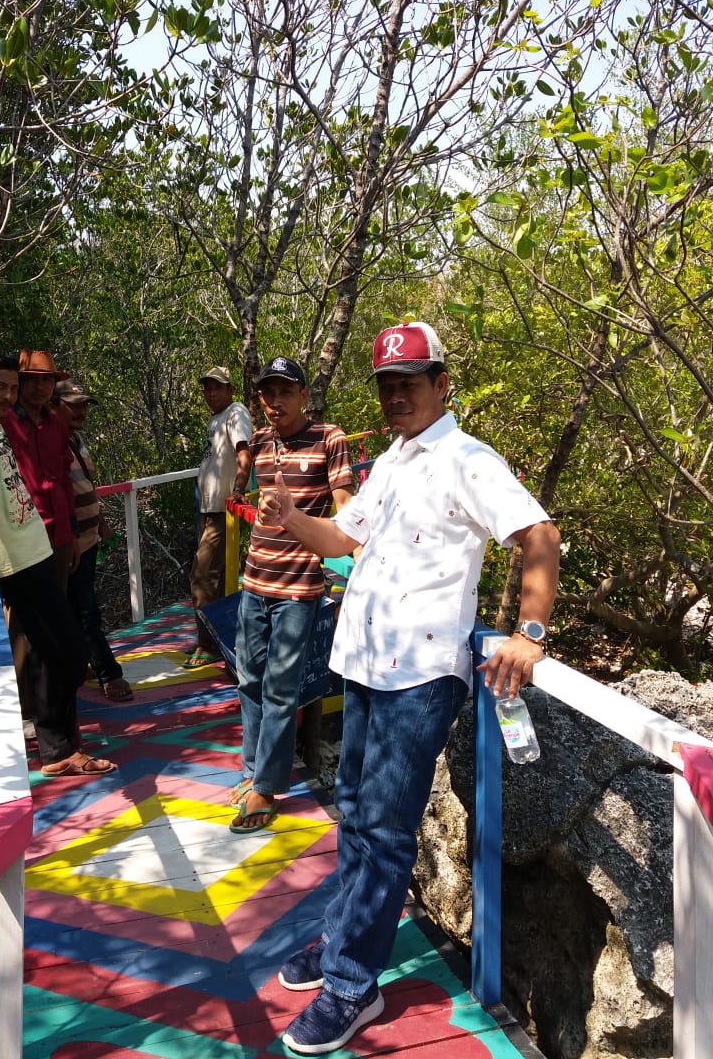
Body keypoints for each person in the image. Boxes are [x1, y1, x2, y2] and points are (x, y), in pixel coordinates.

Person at [262, 321, 560, 1054]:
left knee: (388, 832)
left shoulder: (467, 459)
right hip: (364, 664)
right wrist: (294, 518)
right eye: (388, 384)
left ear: (441, 384)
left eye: (411, 382)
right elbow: (345, 539)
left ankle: (351, 985)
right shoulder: (392, 460)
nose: (397, 395)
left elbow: (539, 536)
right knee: (358, 815)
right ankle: (341, 936)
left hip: (421, 678)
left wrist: (530, 635)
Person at [0, 354, 115, 777]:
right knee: (72, 654)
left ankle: (60, 749)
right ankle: (58, 745)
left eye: (11, 387)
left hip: (39, 548)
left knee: (50, 654)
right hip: (16, 561)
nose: (8, 395)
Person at [229, 356, 354, 835]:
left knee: (281, 690)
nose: (275, 401)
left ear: (304, 395)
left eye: (285, 391)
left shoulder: (329, 439)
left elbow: (347, 512)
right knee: (249, 683)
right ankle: (251, 772)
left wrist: (359, 561)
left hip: (299, 588)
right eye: (268, 393)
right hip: (254, 582)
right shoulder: (260, 443)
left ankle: (265, 785)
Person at [51, 378, 133, 702]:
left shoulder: (74, 439)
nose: (82, 411)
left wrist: (102, 523)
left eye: (85, 405)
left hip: (87, 538)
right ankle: (108, 673)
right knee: (85, 611)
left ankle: (80, 664)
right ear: (55, 406)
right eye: (75, 405)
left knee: (78, 608)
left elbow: (82, 486)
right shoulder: (51, 442)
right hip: (69, 542)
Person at [184, 366, 253, 669]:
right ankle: (215, 639)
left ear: (230, 390)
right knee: (216, 578)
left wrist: (239, 488)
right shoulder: (215, 419)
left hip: (223, 510)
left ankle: (209, 644)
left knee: (202, 577)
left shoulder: (236, 411)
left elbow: (244, 454)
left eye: (217, 388)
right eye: (207, 388)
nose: (211, 393)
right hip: (209, 509)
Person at [2, 349, 77, 591]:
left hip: (60, 535)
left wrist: (72, 534)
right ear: (19, 382)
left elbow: (65, 480)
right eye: (32, 379)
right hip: (21, 538)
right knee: (22, 620)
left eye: (46, 379)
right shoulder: (2, 423)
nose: (39, 386)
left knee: (56, 612)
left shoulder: (57, 424)